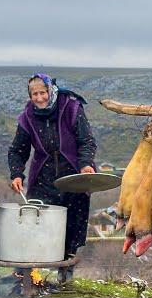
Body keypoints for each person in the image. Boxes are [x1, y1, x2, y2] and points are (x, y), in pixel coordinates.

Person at [7, 73, 97, 283]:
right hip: (43, 176)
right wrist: (17, 173)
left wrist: (85, 164)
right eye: (34, 94)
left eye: (42, 92)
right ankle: (26, 274)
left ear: (51, 90)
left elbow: (87, 141)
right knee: (35, 222)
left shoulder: (71, 107)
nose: (39, 98)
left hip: (74, 175)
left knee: (72, 225)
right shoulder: (27, 116)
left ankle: (65, 274)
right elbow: (17, 150)